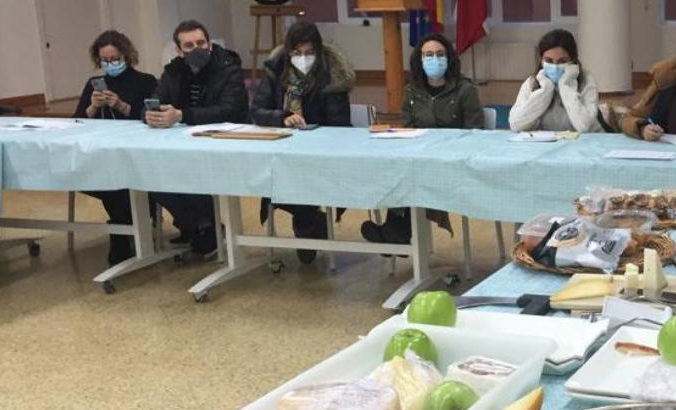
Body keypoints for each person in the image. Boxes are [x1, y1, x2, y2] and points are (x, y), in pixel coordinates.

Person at [361, 34, 483, 244]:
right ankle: (396, 234)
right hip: (418, 158)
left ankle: (395, 234)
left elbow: (475, 132)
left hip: (451, 161)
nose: (434, 59)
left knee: (413, 175)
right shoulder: (412, 90)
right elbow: (407, 128)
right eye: (428, 55)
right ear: (420, 60)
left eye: (439, 54)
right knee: (401, 171)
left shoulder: (465, 90)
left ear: (449, 58)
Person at [251, 22, 353, 264]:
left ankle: (308, 223)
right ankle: (310, 222)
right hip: (282, 149)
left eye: (309, 53)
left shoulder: (332, 75)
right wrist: (282, 117)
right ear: (288, 53)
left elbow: (339, 126)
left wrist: (309, 128)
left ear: (318, 52)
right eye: (297, 53)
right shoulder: (276, 70)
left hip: (320, 153)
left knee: (296, 176)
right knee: (271, 177)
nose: (303, 59)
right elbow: (257, 111)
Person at [148, 20, 248, 256]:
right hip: (179, 141)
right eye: (189, 45)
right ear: (179, 51)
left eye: (201, 43)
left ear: (210, 44)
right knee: (150, 172)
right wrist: (152, 114)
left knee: (186, 171)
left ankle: (203, 226)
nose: (197, 49)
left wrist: (182, 115)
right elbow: (155, 99)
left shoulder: (228, 68)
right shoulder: (173, 72)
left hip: (221, 139)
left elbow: (230, 109)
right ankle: (200, 225)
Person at [73, 30, 158, 265]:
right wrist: (91, 107)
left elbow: (151, 117)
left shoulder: (145, 81)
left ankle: (122, 233)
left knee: (120, 179)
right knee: (106, 178)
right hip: (101, 153)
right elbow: (76, 121)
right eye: (105, 60)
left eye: (115, 59)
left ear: (126, 55)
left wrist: (121, 106)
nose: (110, 64)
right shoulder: (93, 85)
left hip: (137, 153)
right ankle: (123, 230)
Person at [508, 29, 600, 133]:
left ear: (573, 60)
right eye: (549, 61)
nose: (555, 67)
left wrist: (566, 86)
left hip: (582, 142)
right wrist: (545, 90)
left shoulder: (586, 80)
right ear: (541, 61)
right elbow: (515, 124)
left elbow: (584, 127)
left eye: (562, 61)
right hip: (545, 144)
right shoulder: (532, 82)